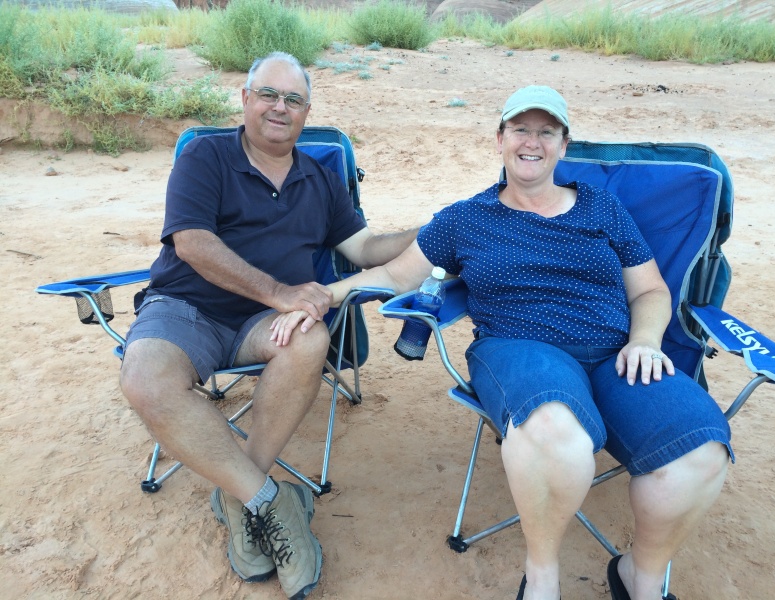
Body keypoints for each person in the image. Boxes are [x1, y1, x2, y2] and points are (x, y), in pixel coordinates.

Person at [272, 86, 733, 600]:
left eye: (546, 132)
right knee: (555, 429)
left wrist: (646, 339)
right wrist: (317, 297)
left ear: (563, 144)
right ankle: (542, 578)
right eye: (520, 129)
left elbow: (649, 289)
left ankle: (639, 579)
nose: (531, 142)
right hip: (518, 347)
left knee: (699, 451)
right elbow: (392, 274)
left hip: (614, 352)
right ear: (500, 139)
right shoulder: (467, 218)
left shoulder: (602, 207)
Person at [118, 52, 417, 600]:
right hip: (186, 308)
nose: (281, 108)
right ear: (246, 99)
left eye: (294, 99)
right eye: (269, 95)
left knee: (311, 336)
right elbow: (192, 243)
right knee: (145, 379)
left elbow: (365, 248)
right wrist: (279, 293)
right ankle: (272, 501)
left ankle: (238, 496)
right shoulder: (206, 157)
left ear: (307, 110)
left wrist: (431, 231)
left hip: (266, 323)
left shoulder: (322, 180)